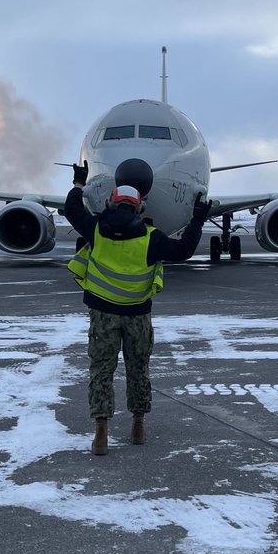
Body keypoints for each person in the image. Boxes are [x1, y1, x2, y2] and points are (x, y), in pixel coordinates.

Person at [65, 163, 212, 454]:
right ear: (139, 208)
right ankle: (138, 425)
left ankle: (101, 433)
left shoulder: (96, 230)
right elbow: (183, 251)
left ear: (111, 203)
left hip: (103, 316)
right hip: (137, 316)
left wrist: (79, 183)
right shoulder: (151, 238)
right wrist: (197, 220)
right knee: (138, 370)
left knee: (101, 372)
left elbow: (73, 209)